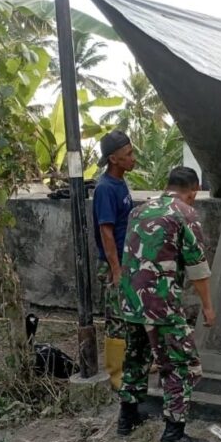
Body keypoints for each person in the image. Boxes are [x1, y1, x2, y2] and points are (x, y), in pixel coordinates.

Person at [117, 166, 216, 442]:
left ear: (167, 184)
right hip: (160, 305)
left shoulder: (139, 210)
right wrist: (208, 307)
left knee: (136, 357)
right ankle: (174, 436)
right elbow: (197, 268)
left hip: (130, 301)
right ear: (194, 189)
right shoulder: (184, 213)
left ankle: (127, 417)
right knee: (181, 366)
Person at [92, 130, 136, 389]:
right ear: (113, 159)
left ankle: (129, 362)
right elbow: (106, 232)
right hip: (113, 264)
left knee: (129, 314)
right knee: (117, 319)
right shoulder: (106, 188)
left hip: (125, 260)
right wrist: (116, 270)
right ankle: (116, 375)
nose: (133, 158)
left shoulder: (120, 183)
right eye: (128, 154)